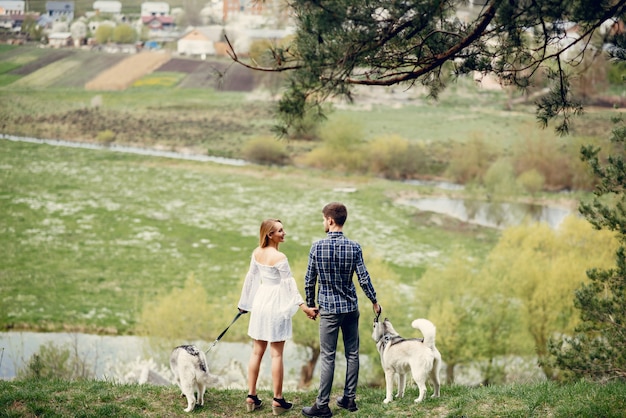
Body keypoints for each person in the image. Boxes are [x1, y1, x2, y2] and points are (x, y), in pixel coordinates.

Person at [302, 202, 381, 418]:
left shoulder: (317, 247)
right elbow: (364, 278)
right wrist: (374, 300)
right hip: (350, 308)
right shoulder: (354, 247)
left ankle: (322, 406)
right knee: (352, 353)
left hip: (328, 309)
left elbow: (310, 280)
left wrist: (311, 304)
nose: (323, 222)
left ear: (330, 220)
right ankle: (349, 399)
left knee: (328, 356)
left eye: (323, 219)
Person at [238, 218, 318, 415]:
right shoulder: (280, 257)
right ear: (270, 235)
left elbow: (251, 279)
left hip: (260, 301)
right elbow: (289, 285)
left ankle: (251, 396)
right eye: (280, 231)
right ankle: (278, 400)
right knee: (276, 354)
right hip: (275, 304)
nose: (284, 233)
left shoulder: (256, 253)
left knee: (257, 352)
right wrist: (304, 307)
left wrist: (244, 305)